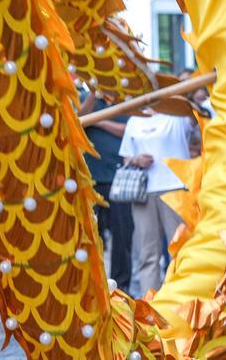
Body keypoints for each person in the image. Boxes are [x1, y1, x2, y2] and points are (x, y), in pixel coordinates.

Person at [118, 107, 194, 296]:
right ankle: (150, 303)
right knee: (147, 253)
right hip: (143, 192)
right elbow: (126, 155)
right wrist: (136, 160)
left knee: (181, 251)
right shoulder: (134, 120)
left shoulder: (177, 114)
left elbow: (194, 117)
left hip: (175, 188)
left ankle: (183, 301)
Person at [78, 89, 133, 294]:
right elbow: (78, 120)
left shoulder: (124, 101)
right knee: (91, 235)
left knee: (122, 235)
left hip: (119, 179)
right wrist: (93, 94)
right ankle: (92, 282)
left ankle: (121, 285)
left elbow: (128, 130)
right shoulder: (87, 100)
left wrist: (99, 121)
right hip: (91, 180)